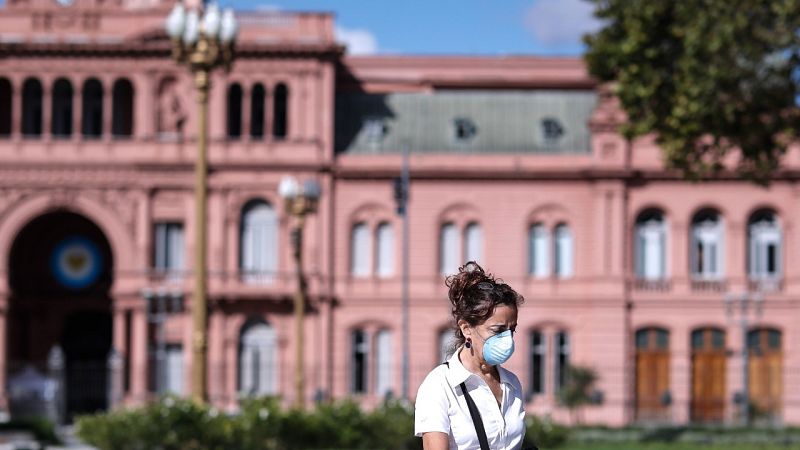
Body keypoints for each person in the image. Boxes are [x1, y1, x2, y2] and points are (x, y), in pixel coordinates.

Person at [415, 261, 528, 450]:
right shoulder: (440, 385)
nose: (507, 338)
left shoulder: (512, 383)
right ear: (466, 328)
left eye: (512, 330)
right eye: (498, 330)